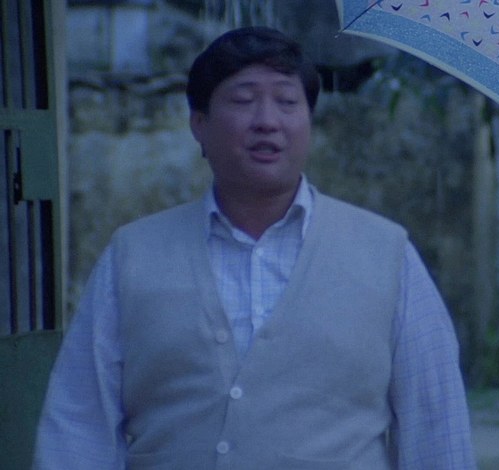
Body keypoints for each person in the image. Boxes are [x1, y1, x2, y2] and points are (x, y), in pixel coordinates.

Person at [34, 26, 476, 469]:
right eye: (244, 100)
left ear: (309, 122)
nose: (267, 120)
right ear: (199, 124)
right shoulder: (133, 256)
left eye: (287, 102)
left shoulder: (387, 255)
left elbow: (436, 428)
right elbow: (78, 426)